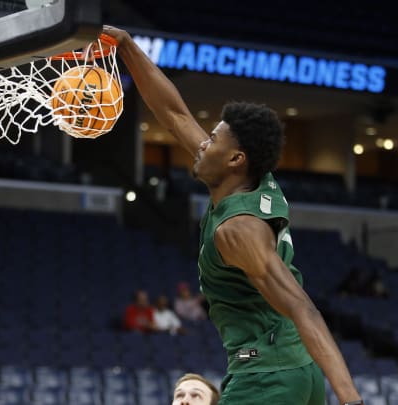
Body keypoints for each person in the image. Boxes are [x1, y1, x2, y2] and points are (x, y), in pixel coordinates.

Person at [103, 25, 362, 405]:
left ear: (235, 160)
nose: (202, 143)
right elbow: (174, 114)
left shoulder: (237, 231)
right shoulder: (249, 179)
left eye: (212, 140)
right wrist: (125, 46)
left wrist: (351, 400)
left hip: (265, 375)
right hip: (296, 370)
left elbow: (302, 306)